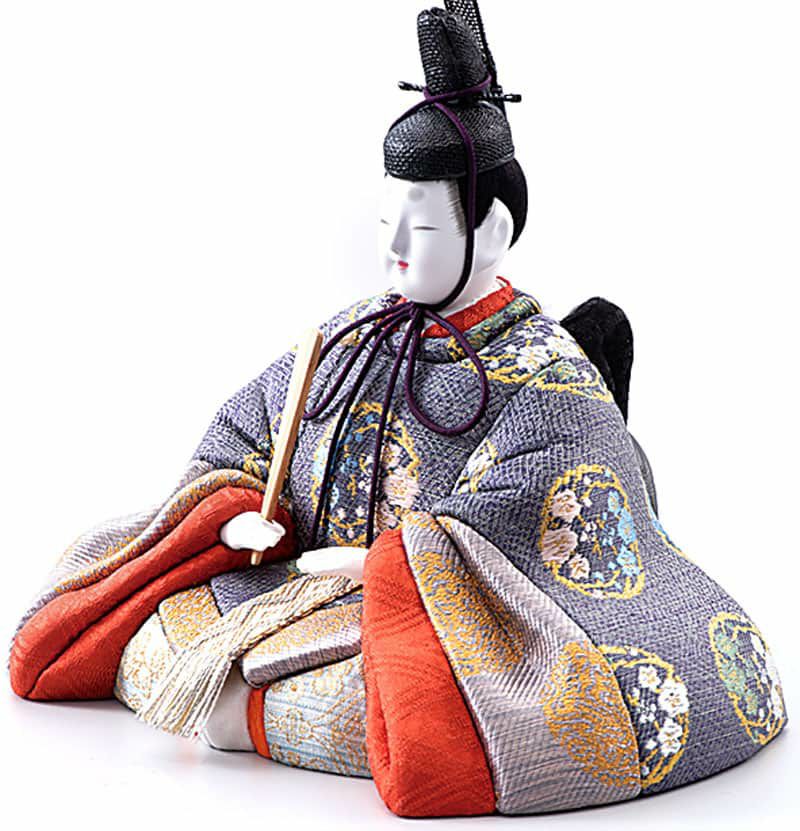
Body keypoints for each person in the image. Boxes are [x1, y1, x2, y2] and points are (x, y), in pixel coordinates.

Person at [10, 1, 785, 818]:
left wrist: (390, 567)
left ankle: (261, 714)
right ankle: (251, 706)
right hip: (286, 586)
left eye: (417, 228)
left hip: (443, 623)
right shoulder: (351, 335)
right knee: (159, 627)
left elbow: (542, 519)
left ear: (491, 229)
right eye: (385, 223)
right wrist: (237, 514)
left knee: (423, 703)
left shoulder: (547, 379)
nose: (392, 251)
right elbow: (251, 427)